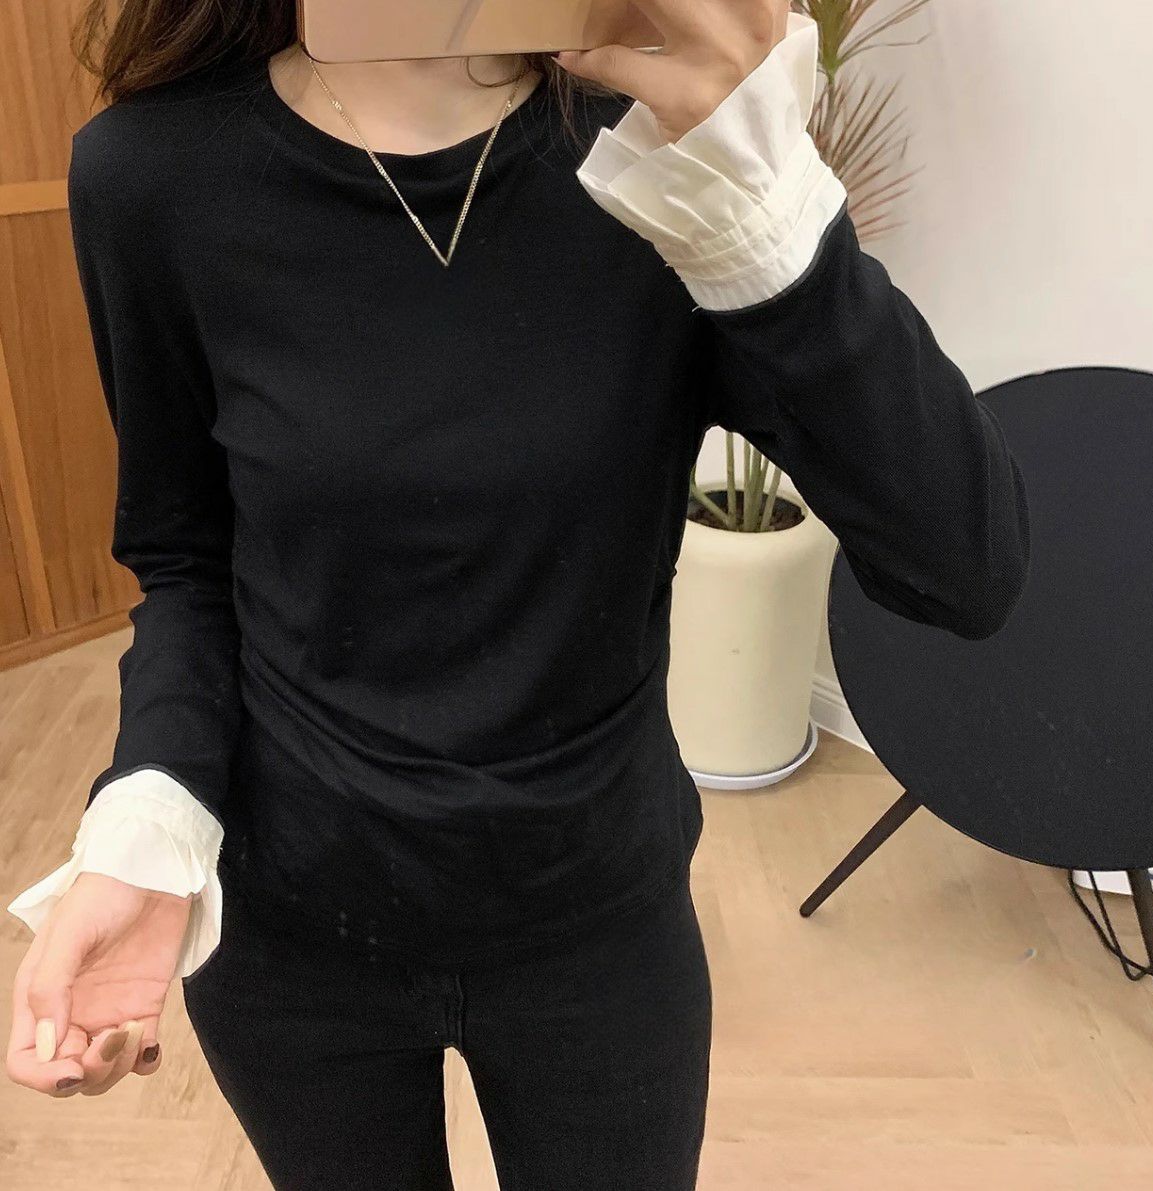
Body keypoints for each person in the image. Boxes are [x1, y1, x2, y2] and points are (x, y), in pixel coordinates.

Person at [5, 1, 1031, 1187]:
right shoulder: (153, 174)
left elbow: (964, 567)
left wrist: (760, 196)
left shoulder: (661, 152)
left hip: (595, 922)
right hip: (293, 934)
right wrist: (148, 824)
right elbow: (186, 561)